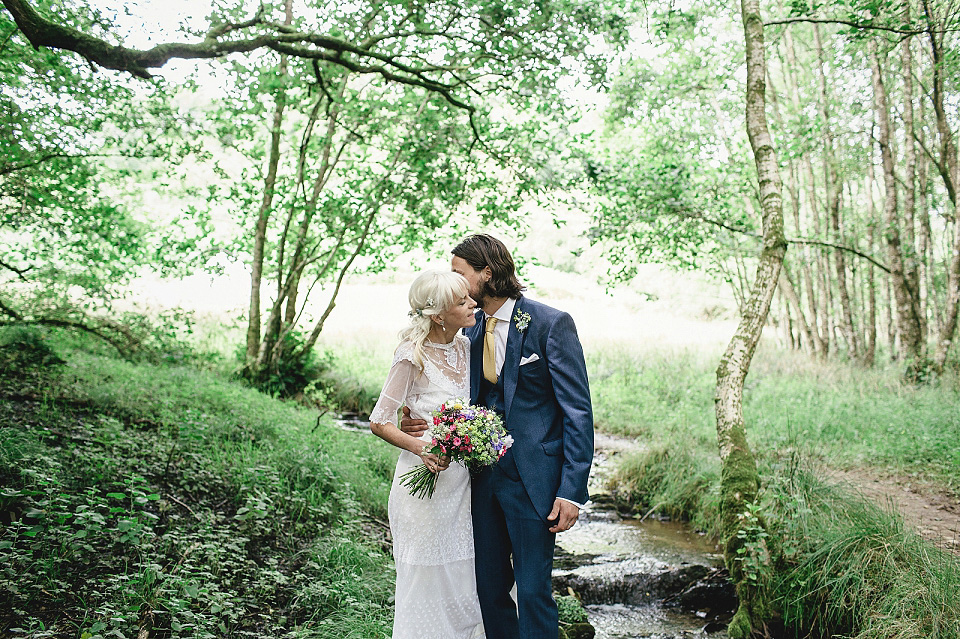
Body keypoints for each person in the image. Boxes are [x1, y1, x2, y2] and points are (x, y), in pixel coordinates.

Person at [402, 235, 594, 639]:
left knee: (533, 590)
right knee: (489, 589)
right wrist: (417, 421)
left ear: (486, 273)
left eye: (459, 272)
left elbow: (578, 411)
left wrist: (572, 490)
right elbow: (445, 390)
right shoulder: (467, 329)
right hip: (477, 479)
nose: (452, 280)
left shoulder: (549, 323)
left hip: (534, 481)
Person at [369, 269, 485, 639]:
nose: (473, 303)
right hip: (425, 489)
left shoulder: (467, 346)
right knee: (428, 577)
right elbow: (380, 420)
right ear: (438, 315)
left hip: (463, 485)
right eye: (462, 301)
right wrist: (421, 446)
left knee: (466, 576)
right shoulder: (411, 355)